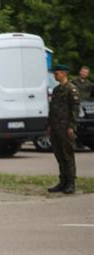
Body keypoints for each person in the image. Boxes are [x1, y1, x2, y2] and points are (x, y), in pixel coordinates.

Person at [47, 64, 80, 194]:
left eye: (57, 73)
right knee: (59, 155)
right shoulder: (56, 90)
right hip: (56, 128)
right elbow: (53, 109)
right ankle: (63, 181)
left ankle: (71, 182)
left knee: (68, 156)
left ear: (64, 73)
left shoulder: (71, 89)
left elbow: (75, 109)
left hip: (66, 128)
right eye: (55, 73)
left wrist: (71, 126)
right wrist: (50, 125)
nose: (55, 75)